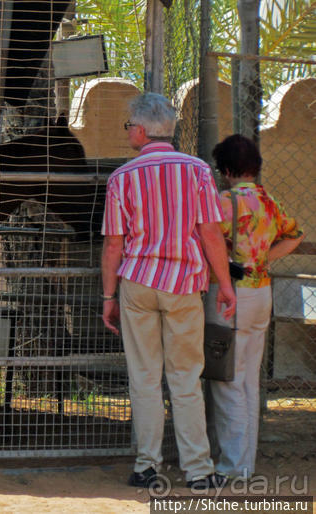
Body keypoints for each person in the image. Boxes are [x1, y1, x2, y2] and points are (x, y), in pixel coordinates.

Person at [100, 92, 236, 490]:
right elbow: (209, 233)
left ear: (140, 130)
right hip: (183, 286)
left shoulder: (122, 177)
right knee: (185, 379)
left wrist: (109, 297)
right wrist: (225, 285)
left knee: (144, 378)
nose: (129, 133)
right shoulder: (196, 171)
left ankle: (146, 466)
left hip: (138, 283)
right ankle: (198, 470)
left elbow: (113, 245)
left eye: (129, 127)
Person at [206, 134, 304, 479]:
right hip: (262, 292)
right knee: (249, 381)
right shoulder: (269, 200)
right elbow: (296, 234)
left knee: (227, 378)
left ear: (227, 168)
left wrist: (235, 266)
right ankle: (243, 463)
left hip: (229, 294)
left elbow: (207, 238)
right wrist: (260, 261)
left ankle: (232, 466)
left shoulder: (224, 201)